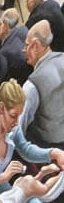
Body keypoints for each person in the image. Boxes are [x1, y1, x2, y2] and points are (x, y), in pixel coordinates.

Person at [20, 20, 64, 150]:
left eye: (26, 45)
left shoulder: (32, 85)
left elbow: (19, 128)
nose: (23, 50)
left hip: (48, 148)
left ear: (36, 46)